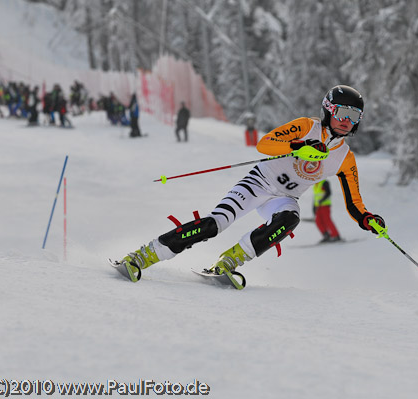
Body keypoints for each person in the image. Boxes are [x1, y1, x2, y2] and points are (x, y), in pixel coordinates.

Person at [114, 85, 386, 285]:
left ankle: (229, 261)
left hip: (284, 198)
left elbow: (354, 202)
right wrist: (298, 146)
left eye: (354, 116)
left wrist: (368, 219)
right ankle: (143, 255)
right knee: (214, 225)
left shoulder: (345, 158)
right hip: (258, 182)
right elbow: (264, 143)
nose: (347, 121)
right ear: (329, 109)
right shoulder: (306, 127)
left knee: (289, 219)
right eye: (343, 113)